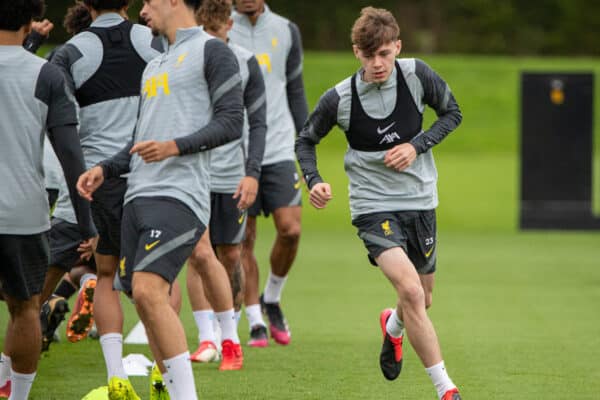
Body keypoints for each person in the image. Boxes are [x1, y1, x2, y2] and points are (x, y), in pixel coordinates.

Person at [77, 0, 244, 396]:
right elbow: (140, 137)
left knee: (150, 290)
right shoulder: (155, 64)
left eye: (149, 2)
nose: (142, 11)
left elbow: (232, 120)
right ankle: (168, 388)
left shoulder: (212, 51)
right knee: (142, 297)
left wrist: (175, 147)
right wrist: (107, 168)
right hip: (137, 196)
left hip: (179, 195)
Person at [295, 7, 462, 400]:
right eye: (369, 56)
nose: (377, 63)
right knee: (411, 290)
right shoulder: (339, 98)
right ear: (357, 52)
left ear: (397, 47)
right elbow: (305, 140)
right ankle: (446, 389)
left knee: (423, 296)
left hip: (419, 200)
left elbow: (452, 113)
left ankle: (393, 328)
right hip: (372, 206)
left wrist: (416, 146)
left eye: (384, 54)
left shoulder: (417, 75)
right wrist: (314, 180)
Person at [51, 0, 163, 397]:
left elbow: (62, 130)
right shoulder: (157, 39)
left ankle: (116, 375)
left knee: (107, 276)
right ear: (131, 3)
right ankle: (163, 373)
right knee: (160, 280)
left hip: (98, 181)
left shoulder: (69, 54)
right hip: (153, 174)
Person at [0, 1, 97, 398]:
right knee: (24, 308)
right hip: (24, 213)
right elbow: (71, 155)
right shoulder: (48, 75)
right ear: (28, 20)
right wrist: (87, 223)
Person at [187, 0, 267, 364]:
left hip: (231, 175)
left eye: (217, 35)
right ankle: (207, 339)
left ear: (228, 28)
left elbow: (258, 121)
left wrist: (252, 172)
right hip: (192, 174)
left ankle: (228, 327)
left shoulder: (246, 61)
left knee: (230, 253)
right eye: (206, 35)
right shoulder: (187, 58)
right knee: (197, 253)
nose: (212, 43)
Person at [229, 0, 308, 347]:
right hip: (235, 150)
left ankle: (271, 298)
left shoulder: (287, 30)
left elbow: (296, 90)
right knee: (243, 239)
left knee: (290, 230)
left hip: (277, 147)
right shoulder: (217, 27)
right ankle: (252, 319)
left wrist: (307, 150)